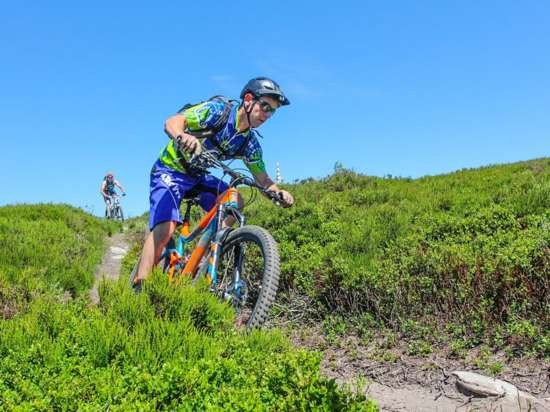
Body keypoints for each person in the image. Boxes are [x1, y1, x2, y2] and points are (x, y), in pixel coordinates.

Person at [132, 77, 294, 289]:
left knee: (235, 201)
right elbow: (172, 122)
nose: (267, 114)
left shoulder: (249, 143)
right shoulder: (218, 112)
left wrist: (278, 192)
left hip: (197, 177)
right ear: (248, 100)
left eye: (272, 111)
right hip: (170, 169)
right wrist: (182, 136)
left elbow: (263, 179)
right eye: (265, 106)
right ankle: (140, 288)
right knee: (166, 228)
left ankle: (208, 252)